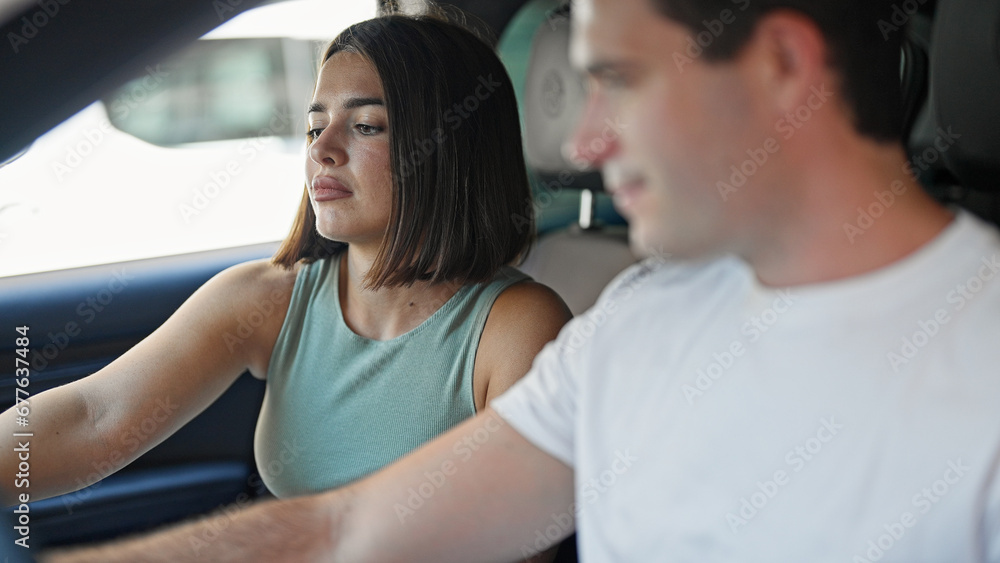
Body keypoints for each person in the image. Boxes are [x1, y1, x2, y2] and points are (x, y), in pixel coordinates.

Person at [38, 0, 1000, 561]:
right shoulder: (636, 325)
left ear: (784, 67)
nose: (580, 145)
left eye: (620, 81)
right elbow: (348, 525)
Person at [0, 11, 570, 543]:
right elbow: (94, 419)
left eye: (367, 126)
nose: (322, 149)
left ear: (449, 149)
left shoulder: (518, 328)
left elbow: (513, 544)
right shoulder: (266, 298)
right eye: (314, 126)